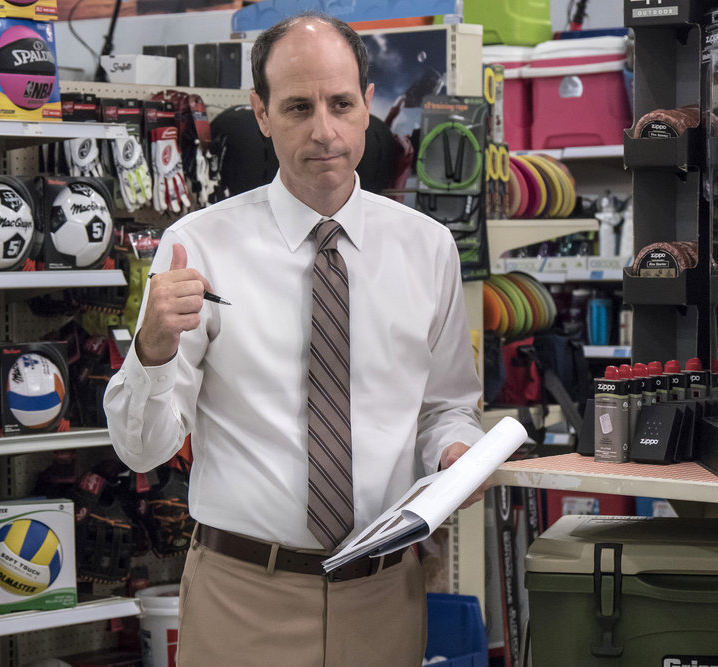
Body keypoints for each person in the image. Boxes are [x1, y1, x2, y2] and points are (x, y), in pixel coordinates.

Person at [104, 11, 488, 666]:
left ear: (367, 105)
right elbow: (143, 450)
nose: (324, 131)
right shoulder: (198, 247)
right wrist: (153, 350)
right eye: (298, 107)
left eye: (341, 104)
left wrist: (456, 450)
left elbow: (446, 405)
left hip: (384, 595)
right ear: (261, 112)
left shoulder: (427, 248)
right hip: (243, 597)